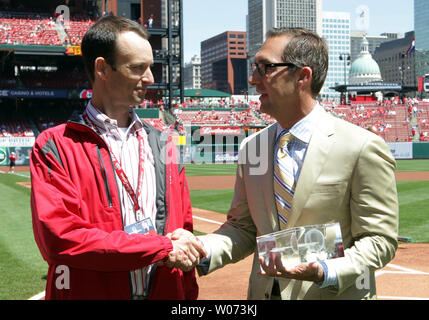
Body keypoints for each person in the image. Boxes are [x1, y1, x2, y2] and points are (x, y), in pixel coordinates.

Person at [190, 28, 399, 300]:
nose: (253, 79)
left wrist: (326, 270)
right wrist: (200, 248)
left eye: (265, 68)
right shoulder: (252, 148)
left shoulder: (361, 146)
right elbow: (243, 228)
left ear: (303, 76)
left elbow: (379, 239)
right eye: (255, 67)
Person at [30, 15, 206, 300]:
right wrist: (158, 247)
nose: (150, 78)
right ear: (102, 68)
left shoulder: (163, 143)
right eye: (138, 68)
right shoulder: (55, 145)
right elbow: (60, 238)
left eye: (150, 67)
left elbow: (181, 228)